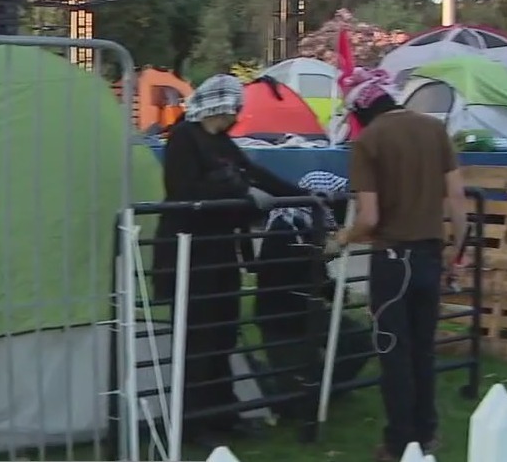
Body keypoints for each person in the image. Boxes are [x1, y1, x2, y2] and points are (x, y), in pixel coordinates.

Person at [151, 74, 308, 447]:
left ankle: (223, 412)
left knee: (223, 333)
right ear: (218, 106)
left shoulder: (221, 142)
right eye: (233, 107)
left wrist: (302, 194)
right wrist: (239, 191)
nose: (236, 115)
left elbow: (254, 173)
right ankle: (192, 422)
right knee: (199, 338)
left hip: (220, 249)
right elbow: (184, 191)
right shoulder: (184, 138)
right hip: (191, 251)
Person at [332, 68, 469, 461]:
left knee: (394, 353)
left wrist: (342, 238)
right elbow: (457, 199)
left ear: (361, 112)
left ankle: (399, 443)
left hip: (392, 261)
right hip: (429, 255)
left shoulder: (368, 141)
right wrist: (457, 253)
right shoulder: (434, 129)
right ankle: (426, 434)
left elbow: (369, 217)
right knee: (423, 351)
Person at [254, 171, 371, 416]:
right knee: (293, 400)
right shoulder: (285, 226)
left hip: (308, 311)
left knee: (359, 341)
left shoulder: (306, 227)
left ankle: (327, 389)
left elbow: (316, 276)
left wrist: (339, 292)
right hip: (283, 320)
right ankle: (266, 380)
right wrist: (318, 254)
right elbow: (287, 272)